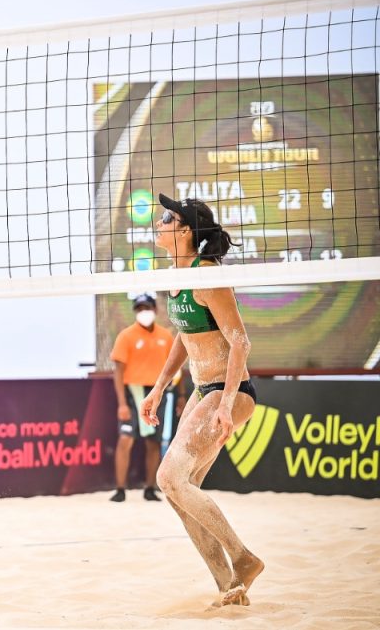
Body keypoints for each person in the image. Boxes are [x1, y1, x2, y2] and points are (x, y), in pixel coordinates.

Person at [139, 194, 264, 606]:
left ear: (186, 230)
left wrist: (226, 405)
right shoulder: (176, 275)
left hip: (231, 391)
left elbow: (240, 342)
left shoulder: (208, 274)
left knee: (168, 478)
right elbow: (185, 335)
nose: (159, 222)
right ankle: (229, 586)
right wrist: (159, 386)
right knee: (180, 490)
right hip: (202, 390)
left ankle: (244, 558)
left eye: (167, 217)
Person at [108, 292, 175, 502]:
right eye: (139, 309)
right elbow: (118, 372)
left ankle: (150, 488)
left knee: (154, 442)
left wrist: (181, 395)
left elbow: (175, 370)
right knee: (125, 439)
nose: (143, 312)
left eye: (146, 308)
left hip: (156, 393)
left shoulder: (166, 336)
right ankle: (120, 489)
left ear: (155, 310)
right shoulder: (126, 336)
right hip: (133, 392)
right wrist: (121, 404)